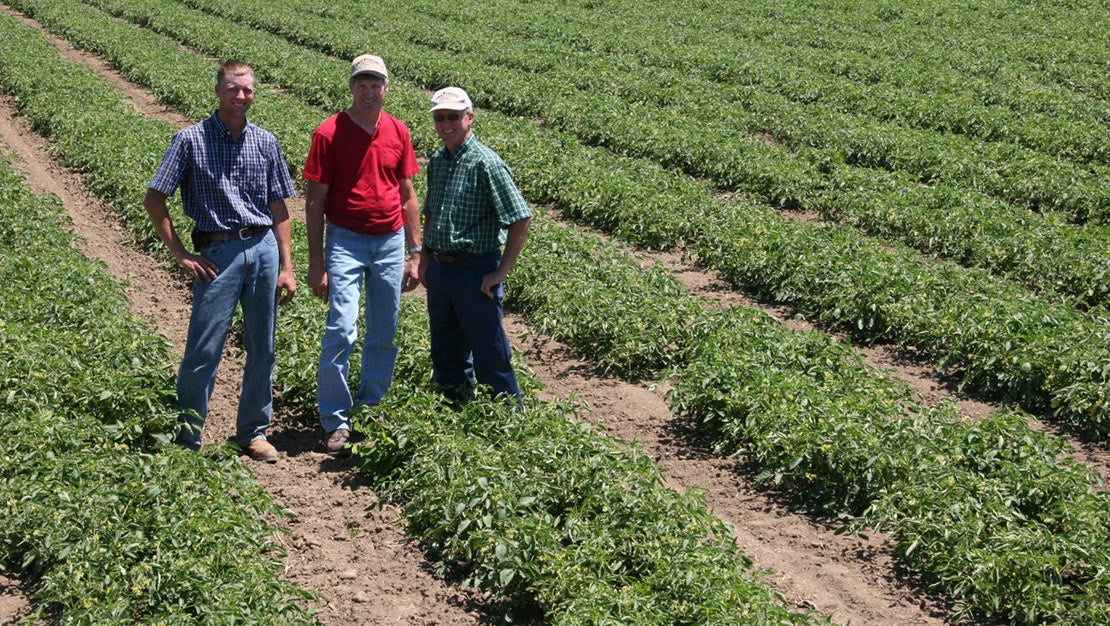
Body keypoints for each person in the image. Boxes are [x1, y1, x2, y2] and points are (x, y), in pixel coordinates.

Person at [144, 60, 296, 463]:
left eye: (247, 89)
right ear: (218, 90)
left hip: (262, 247)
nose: (240, 96)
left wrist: (287, 266)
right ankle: (187, 436)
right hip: (217, 253)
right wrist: (180, 253)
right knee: (204, 347)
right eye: (233, 88)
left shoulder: (265, 141)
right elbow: (155, 197)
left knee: (262, 345)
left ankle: (254, 432)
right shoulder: (189, 140)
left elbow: (278, 206)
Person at [303, 54, 421, 456]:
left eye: (376, 85)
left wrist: (415, 252)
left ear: (386, 89)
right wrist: (316, 263)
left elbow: (407, 195)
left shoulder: (398, 131)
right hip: (345, 239)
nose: (369, 93)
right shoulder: (329, 132)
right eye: (362, 85)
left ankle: (372, 410)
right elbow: (314, 202)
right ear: (351, 87)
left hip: (390, 240)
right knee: (341, 328)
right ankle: (336, 420)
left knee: (384, 332)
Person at [418, 87, 532, 407]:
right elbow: (432, 213)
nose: (445, 123)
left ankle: (510, 422)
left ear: (469, 118)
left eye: (453, 116)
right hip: (441, 269)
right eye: (440, 117)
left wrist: (500, 272)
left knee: (490, 353)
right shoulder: (438, 161)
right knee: (445, 352)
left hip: (475, 269)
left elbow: (520, 218)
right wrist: (425, 258)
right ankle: (455, 415)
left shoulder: (487, 163)